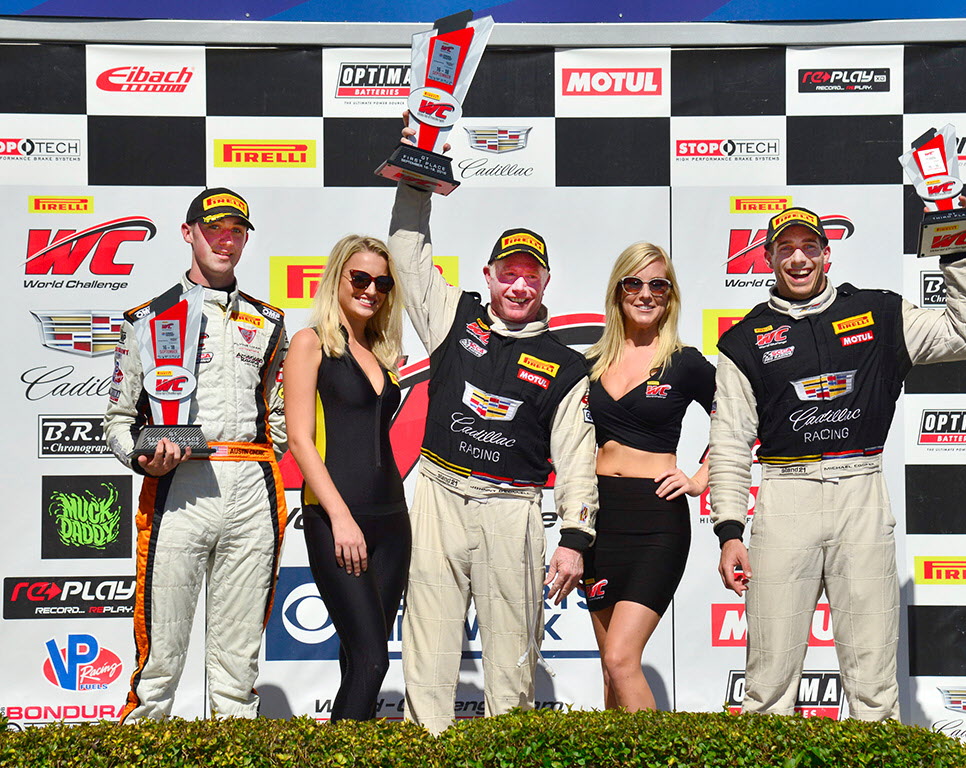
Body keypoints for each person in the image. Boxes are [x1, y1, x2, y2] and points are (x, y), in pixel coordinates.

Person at [709, 206, 966, 720]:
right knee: (767, 685)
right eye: (786, 248)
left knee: (873, 683)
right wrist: (729, 530)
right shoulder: (742, 341)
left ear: (826, 253)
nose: (798, 258)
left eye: (809, 247)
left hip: (860, 489)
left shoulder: (881, 313)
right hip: (784, 494)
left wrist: (955, 247)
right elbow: (729, 446)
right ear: (767, 257)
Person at [388, 125, 598, 734]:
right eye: (509, 272)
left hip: (514, 508)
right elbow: (405, 252)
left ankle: (506, 751)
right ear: (488, 274)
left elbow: (578, 458)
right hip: (440, 493)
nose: (518, 284)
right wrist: (420, 169)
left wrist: (576, 538)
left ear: (545, 283)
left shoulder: (565, 364)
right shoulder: (454, 318)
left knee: (512, 661)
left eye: (530, 275)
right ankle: (427, 747)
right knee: (427, 648)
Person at [104, 188, 288, 721]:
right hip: (179, 488)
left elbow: (276, 418)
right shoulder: (148, 318)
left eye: (236, 231)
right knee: (160, 655)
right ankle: (141, 747)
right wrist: (144, 457)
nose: (225, 241)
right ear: (189, 233)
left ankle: (234, 753)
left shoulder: (269, 321)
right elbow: (120, 419)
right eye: (214, 230)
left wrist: (264, 455)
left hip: (252, 485)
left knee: (238, 663)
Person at [583, 242, 715, 711]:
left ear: (670, 295)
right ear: (617, 292)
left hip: (656, 521)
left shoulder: (686, 362)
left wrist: (702, 476)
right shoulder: (590, 363)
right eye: (633, 283)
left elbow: (743, 419)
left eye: (657, 284)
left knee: (621, 659)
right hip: (599, 522)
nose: (645, 294)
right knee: (608, 668)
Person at [282, 234, 408, 721]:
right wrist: (340, 517)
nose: (370, 289)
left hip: (393, 522)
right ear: (337, 277)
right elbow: (299, 440)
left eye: (381, 281)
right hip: (335, 518)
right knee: (373, 661)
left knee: (359, 658)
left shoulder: (379, 350)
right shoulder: (310, 342)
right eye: (359, 278)